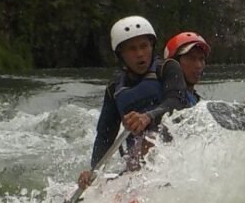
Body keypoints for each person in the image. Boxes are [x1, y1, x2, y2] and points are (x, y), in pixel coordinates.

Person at [76, 15, 189, 191]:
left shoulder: (168, 68)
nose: (140, 54)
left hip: (174, 149)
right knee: (138, 149)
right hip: (136, 162)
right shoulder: (114, 89)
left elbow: (176, 102)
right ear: (121, 54)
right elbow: (105, 136)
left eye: (144, 46)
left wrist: (147, 117)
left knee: (148, 142)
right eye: (132, 49)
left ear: (152, 46)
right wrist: (94, 172)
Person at [163, 31, 245, 107]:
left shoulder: (195, 99)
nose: (198, 65)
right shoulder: (162, 95)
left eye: (201, 59)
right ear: (173, 63)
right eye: (191, 58)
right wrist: (244, 109)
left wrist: (244, 109)